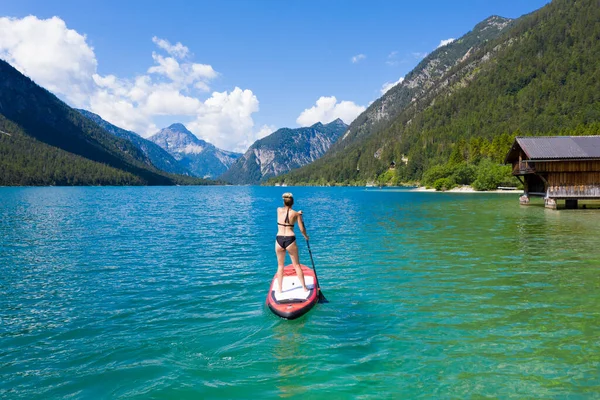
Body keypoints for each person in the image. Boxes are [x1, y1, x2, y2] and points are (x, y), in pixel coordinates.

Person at [275, 192, 309, 293]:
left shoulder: (278, 210)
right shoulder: (296, 214)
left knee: (280, 266)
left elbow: (286, 212)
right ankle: (304, 288)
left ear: (284, 201)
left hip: (279, 239)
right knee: (297, 265)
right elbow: (302, 229)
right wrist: (306, 236)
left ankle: (280, 290)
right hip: (290, 239)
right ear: (293, 202)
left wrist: (296, 213)